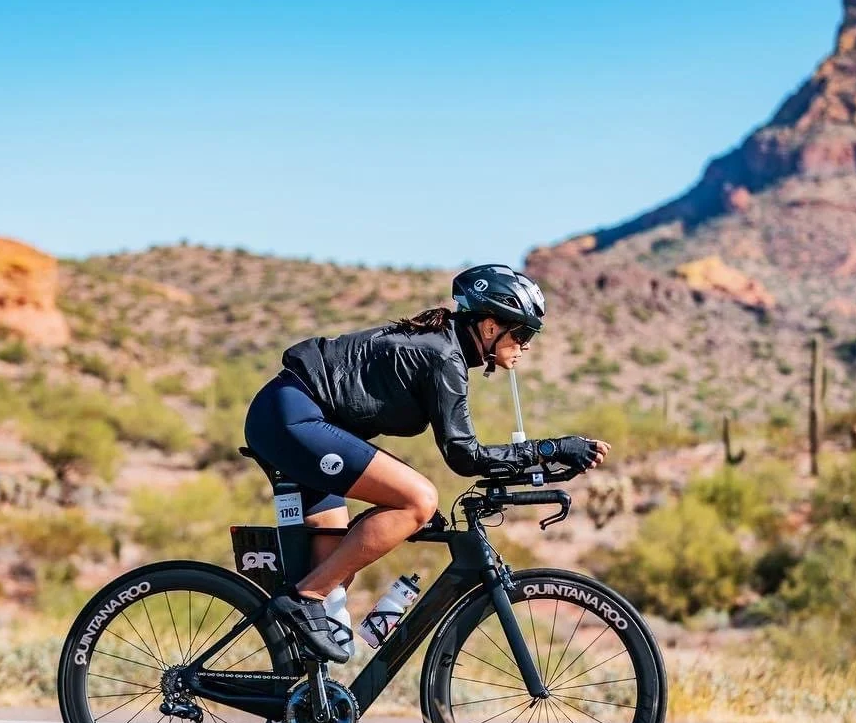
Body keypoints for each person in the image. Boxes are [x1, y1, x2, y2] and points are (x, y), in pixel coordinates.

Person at [244, 264, 611, 665]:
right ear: (490, 326)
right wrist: (552, 449)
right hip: (291, 419)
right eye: (521, 333)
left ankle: (301, 706)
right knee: (416, 501)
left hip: (301, 422)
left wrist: (544, 464)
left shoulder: (445, 347)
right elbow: (464, 456)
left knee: (335, 574)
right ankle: (303, 601)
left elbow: (461, 456)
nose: (525, 345)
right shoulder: (442, 355)